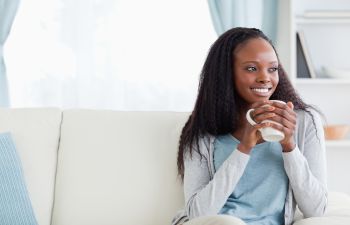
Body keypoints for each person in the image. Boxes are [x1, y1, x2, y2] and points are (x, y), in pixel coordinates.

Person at [171, 27, 327, 225]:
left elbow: (317, 209)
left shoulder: (305, 122)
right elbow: (198, 214)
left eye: (272, 68)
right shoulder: (203, 129)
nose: (265, 77)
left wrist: (289, 146)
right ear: (226, 73)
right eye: (251, 68)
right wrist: (244, 148)